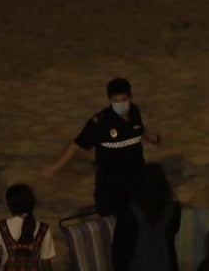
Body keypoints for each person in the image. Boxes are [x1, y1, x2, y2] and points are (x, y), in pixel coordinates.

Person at [41, 78, 161, 216]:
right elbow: (77, 144)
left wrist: (153, 138)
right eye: (116, 100)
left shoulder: (134, 111)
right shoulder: (100, 122)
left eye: (124, 99)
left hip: (136, 178)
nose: (121, 104)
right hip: (111, 183)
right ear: (110, 99)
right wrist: (54, 168)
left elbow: (138, 128)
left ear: (131, 97)